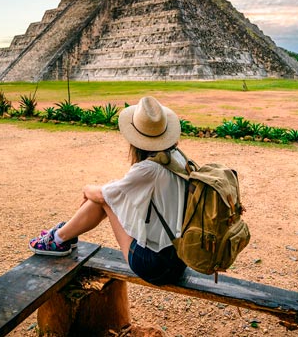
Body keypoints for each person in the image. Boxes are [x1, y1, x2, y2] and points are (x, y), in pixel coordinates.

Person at [28, 96, 188, 285]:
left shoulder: (148, 169)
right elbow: (120, 192)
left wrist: (87, 189)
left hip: (156, 266)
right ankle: (62, 235)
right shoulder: (178, 158)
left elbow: (106, 196)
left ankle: (58, 238)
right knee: (106, 195)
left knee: (103, 199)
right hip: (179, 258)